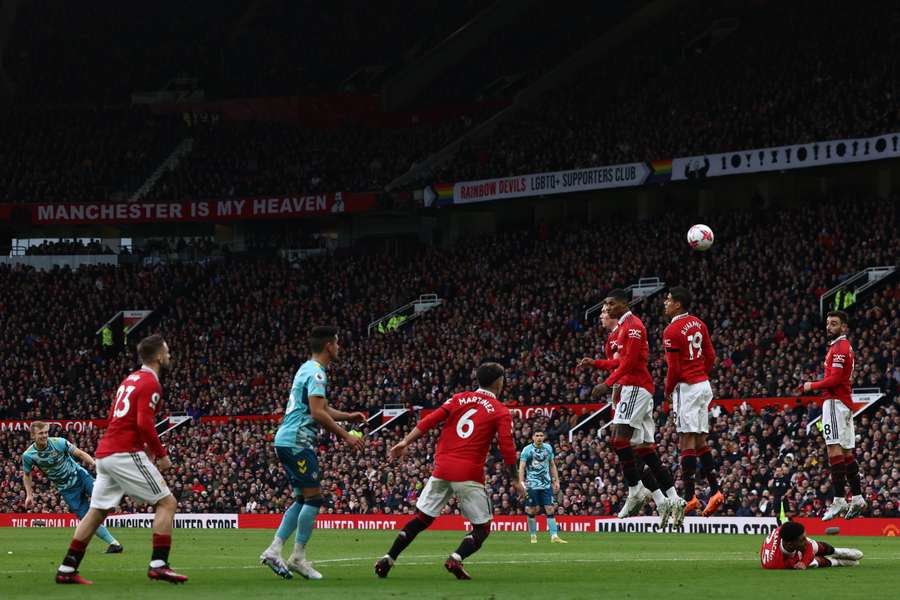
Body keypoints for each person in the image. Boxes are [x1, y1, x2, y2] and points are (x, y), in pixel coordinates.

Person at [55, 334, 186, 585]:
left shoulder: (130, 379)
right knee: (167, 502)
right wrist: (161, 454)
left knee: (96, 512)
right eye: (167, 352)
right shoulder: (151, 383)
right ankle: (159, 564)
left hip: (105, 453)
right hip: (123, 452)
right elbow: (144, 423)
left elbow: (118, 417)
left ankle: (67, 569)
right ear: (158, 356)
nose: (169, 356)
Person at [375, 362, 524, 580]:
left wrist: (405, 441)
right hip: (468, 473)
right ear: (499, 382)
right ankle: (456, 558)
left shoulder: (458, 398)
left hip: (442, 468)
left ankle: (389, 557)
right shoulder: (501, 411)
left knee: (421, 518)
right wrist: (515, 480)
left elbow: (430, 420)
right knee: (482, 529)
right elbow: (507, 446)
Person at [260, 325, 366, 580]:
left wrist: (348, 415)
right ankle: (297, 557)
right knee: (314, 499)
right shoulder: (318, 373)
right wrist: (346, 435)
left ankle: (275, 549)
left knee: (301, 499)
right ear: (329, 345)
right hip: (297, 441)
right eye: (337, 344)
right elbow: (318, 413)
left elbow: (322, 407)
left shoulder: (306, 368)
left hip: (288, 440)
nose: (339, 348)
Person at [580, 290, 682, 524]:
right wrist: (595, 363)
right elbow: (619, 362)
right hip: (629, 388)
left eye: (610, 305)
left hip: (634, 386)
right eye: (605, 306)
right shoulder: (622, 329)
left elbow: (629, 363)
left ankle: (637, 490)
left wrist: (607, 384)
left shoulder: (632, 327)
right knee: (643, 450)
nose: (605, 310)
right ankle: (670, 499)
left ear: (624, 304)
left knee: (619, 441)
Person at [661, 287, 722, 525]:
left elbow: (674, 369)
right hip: (703, 385)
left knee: (686, 440)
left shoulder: (671, 330)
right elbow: (711, 356)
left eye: (668, 300)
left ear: (677, 304)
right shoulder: (699, 324)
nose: (665, 303)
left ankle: (690, 497)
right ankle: (715, 490)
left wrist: (666, 392)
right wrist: (700, 374)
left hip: (687, 388)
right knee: (699, 441)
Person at [799, 311, 866, 520]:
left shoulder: (839, 348)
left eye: (834, 324)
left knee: (833, 449)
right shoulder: (841, 347)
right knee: (846, 454)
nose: (829, 327)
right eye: (828, 323)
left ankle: (838, 500)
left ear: (844, 327)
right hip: (843, 403)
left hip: (835, 403)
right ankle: (857, 497)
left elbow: (835, 379)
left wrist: (812, 385)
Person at [22, 422, 122, 552]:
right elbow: (27, 475)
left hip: (79, 476)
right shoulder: (28, 455)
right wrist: (29, 494)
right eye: (41, 433)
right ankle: (114, 544)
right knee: (86, 519)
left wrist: (95, 465)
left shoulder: (59, 442)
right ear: (33, 436)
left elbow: (79, 454)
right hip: (67, 490)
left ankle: (110, 505)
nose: (45, 435)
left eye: (46, 432)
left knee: (99, 493)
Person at [519, 430, 566, 544]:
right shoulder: (527, 450)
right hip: (532, 484)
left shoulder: (548, 448)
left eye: (541, 435)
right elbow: (522, 467)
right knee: (532, 509)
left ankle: (554, 536)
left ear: (543, 437)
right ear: (533, 437)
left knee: (549, 508)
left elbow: (552, 465)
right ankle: (533, 535)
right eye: (537, 436)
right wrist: (521, 483)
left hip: (546, 484)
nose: (539, 437)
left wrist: (556, 480)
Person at [760, 521, 863, 569]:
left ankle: (838, 552)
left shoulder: (788, 535)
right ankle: (837, 562)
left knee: (814, 546)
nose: (806, 541)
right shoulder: (775, 563)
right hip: (783, 558)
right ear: (790, 544)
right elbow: (795, 563)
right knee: (813, 563)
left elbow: (808, 546)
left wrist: (804, 562)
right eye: (802, 539)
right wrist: (804, 563)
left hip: (787, 549)